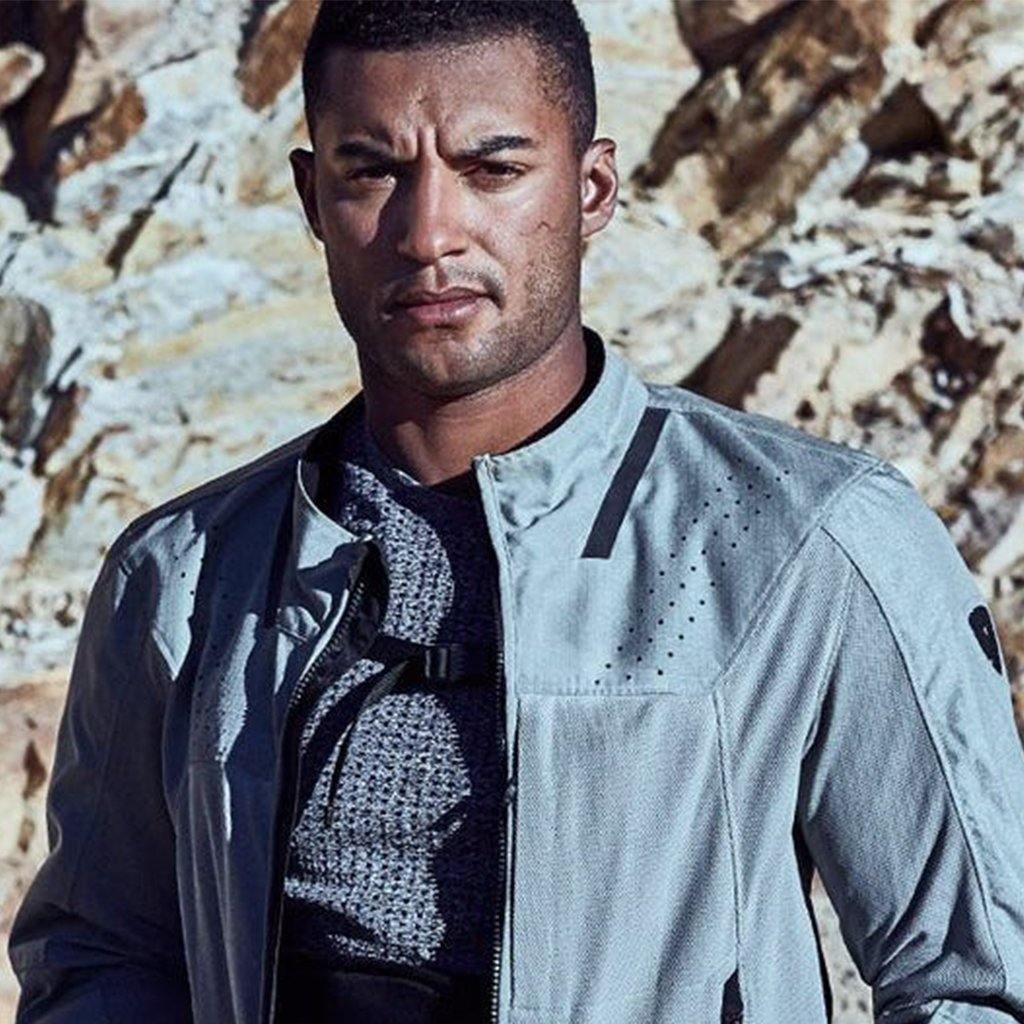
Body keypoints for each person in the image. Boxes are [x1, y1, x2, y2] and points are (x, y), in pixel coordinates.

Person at [9, 2, 1024, 1022]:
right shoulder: (182, 577)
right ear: (312, 198)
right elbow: (102, 957)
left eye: (492, 168)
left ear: (592, 189)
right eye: (373, 173)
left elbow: (980, 981)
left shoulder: (809, 537)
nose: (428, 233)